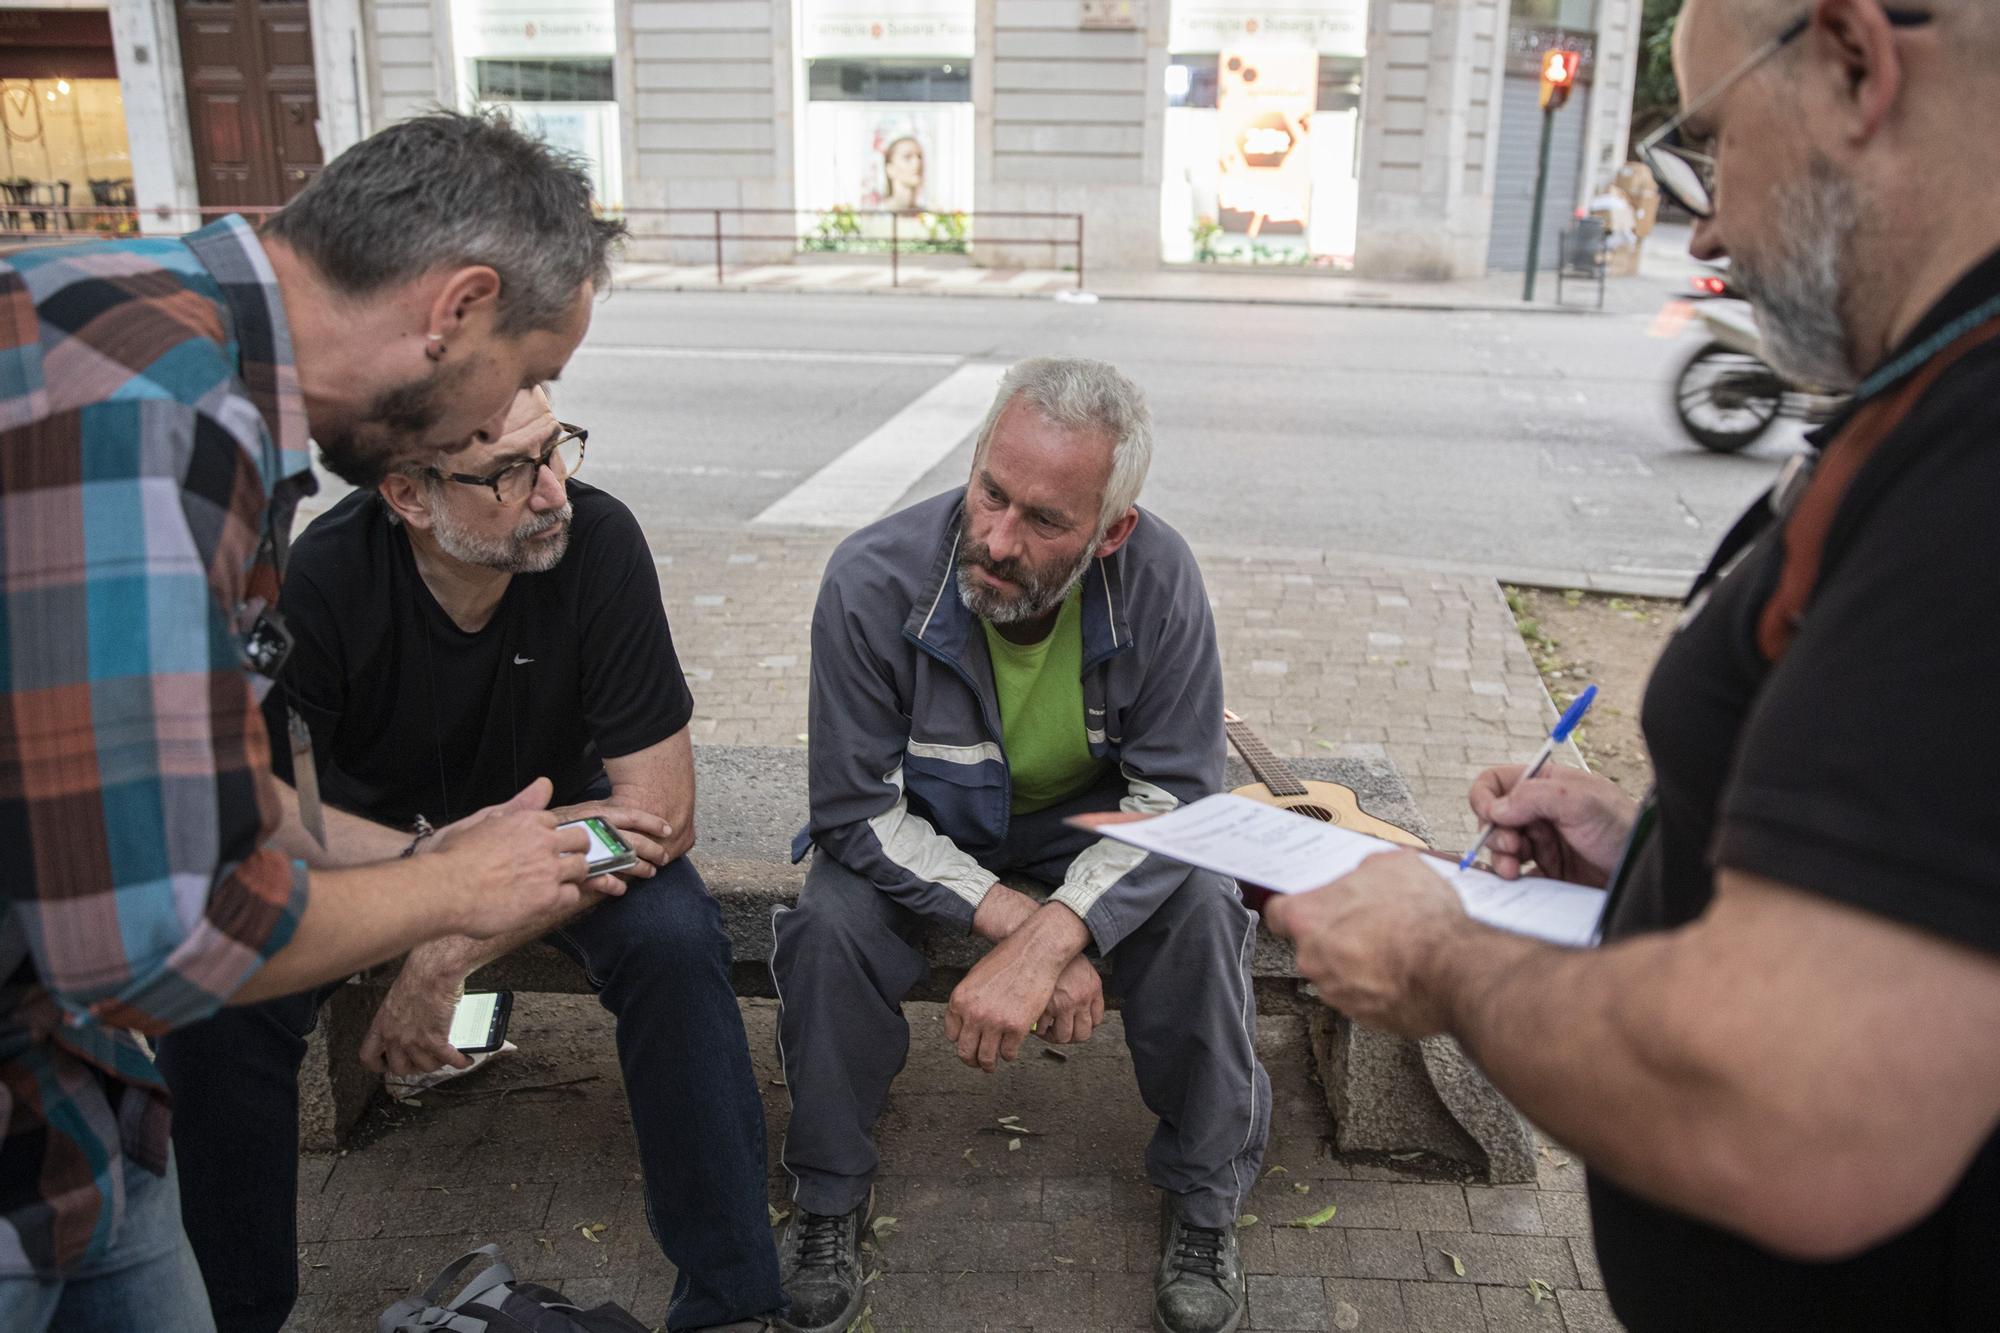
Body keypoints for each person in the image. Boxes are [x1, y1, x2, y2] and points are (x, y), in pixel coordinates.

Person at [1241, 2, 2000, 1328]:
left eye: (1709, 144)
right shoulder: (1935, 396)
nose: (1699, 227)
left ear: (1856, 63)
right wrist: (1657, 849)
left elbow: (1792, 1105)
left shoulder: (1978, 465)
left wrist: (1447, 964)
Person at [0, 109, 624, 1331]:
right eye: (529, 370)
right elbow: (161, 934)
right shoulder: (154, 414)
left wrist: (422, 857)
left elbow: (204, 794)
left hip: (74, 1110)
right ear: (456, 309)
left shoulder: (145, 327)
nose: (521, 416)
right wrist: (453, 896)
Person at [153, 387, 786, 1333]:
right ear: (409, 495)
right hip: (368, 852)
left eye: (557, 448)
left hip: (572, 839)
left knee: (672, 935)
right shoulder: (320, 574)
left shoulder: (598, 541)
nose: (554, 492)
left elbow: (658, 813)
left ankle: (734, 1299)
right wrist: (428, 875)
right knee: (219, 987)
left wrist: (449, 944)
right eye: (512, 471)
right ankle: (232, 1310)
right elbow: (264, 802)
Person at [770, 357, 1268, 1333]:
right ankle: (826, 1193)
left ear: (1110, 530)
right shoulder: (870, 580)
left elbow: (1172, 800)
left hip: (1091, 840)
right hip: (926, 841)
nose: (996, 538)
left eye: (1044, 520)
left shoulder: (1158, 579)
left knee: (1208, 906)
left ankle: (1204, 1203)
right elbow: (853, 811)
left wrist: (1056, 938)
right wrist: (1022, 928)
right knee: (827, 920)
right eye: (989, 492)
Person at [881, 135, 924, 212]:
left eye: (920, 157)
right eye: (907, 157)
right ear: (890, 169)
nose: (917, 163)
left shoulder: (931, 218)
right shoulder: (875, 216)